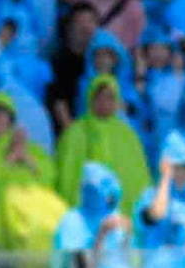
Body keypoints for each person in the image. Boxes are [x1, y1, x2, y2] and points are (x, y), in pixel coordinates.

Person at [0, 92, 68, 253]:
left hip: (34, 198)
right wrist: (10, 158)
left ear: (10, 119)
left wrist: (26, 157)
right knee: (19, 215)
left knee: (56, 211)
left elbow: (48, 176)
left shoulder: (29, 145)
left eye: (2, 115)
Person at [53, 74, 151, 217]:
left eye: (110, 97)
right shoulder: (74, 133)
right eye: (98, 97)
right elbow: (67, 176)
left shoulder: (127, 134)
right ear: (89, 99)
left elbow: (138, 178)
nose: (104, 102)